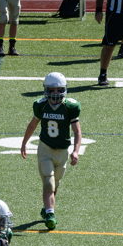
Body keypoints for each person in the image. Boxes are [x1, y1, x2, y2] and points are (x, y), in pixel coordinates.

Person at [20, 72, 81, 231]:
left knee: (55, 184)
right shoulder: (40, 105)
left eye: (58, 90)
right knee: (48, 180)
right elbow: (32, 125)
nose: (55, 94)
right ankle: (50, 214)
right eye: (51, 90)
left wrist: (76, 151)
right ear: (46, 90)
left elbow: (77, 131)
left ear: (64, 89)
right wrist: (24, 143)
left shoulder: (71, 107)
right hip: (45, 149)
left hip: (63, 152)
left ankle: (46, 208)